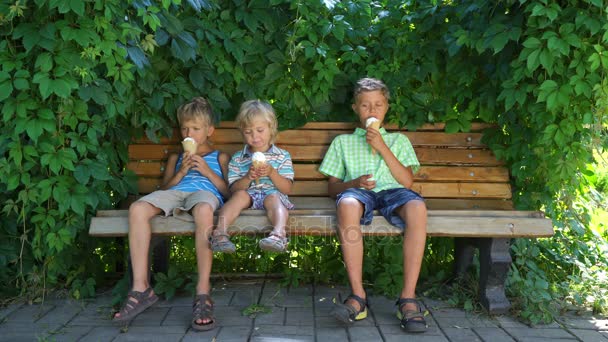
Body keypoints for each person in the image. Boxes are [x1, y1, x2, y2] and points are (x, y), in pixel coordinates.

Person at [318, 78, 428, 333]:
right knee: (345, 204)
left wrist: (382, 145)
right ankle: (358, 296)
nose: (372, 111)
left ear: (386, 107)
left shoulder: (399, 141)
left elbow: (407, 181)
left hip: (394, 191)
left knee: (418, 208)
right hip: (359, 192)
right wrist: (353, 182)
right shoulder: (342, 143)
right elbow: (331, 188)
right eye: (365, 106)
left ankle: (408, 299)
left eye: (378, 105)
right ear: (355, 108)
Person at [113, 97, 230, 332]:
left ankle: (203, 293)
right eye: (185, 128)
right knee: (137, 208)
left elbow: (227, 191)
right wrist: (182, 172)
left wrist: (206, 170)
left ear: (209, 131)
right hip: (176, 193)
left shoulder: (220, 158)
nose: (189, 133)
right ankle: (141, 288)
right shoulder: (176, 158)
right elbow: (166, 189)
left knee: (205, 211)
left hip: (204, 195)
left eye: (195, 129)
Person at [210, 100, 294, 253]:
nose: (255, 136)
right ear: (242, 132)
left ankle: (278, 235)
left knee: (274, 198)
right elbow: (233, 189)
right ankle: (219, 234)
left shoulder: (282, 156)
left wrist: (272, 173)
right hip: (248, 197)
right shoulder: (238, 158)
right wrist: (248, 177)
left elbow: (287, 188)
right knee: (240, 196)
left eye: (260, 130)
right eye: (248, 132)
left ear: (271, 128)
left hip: (273, 196)